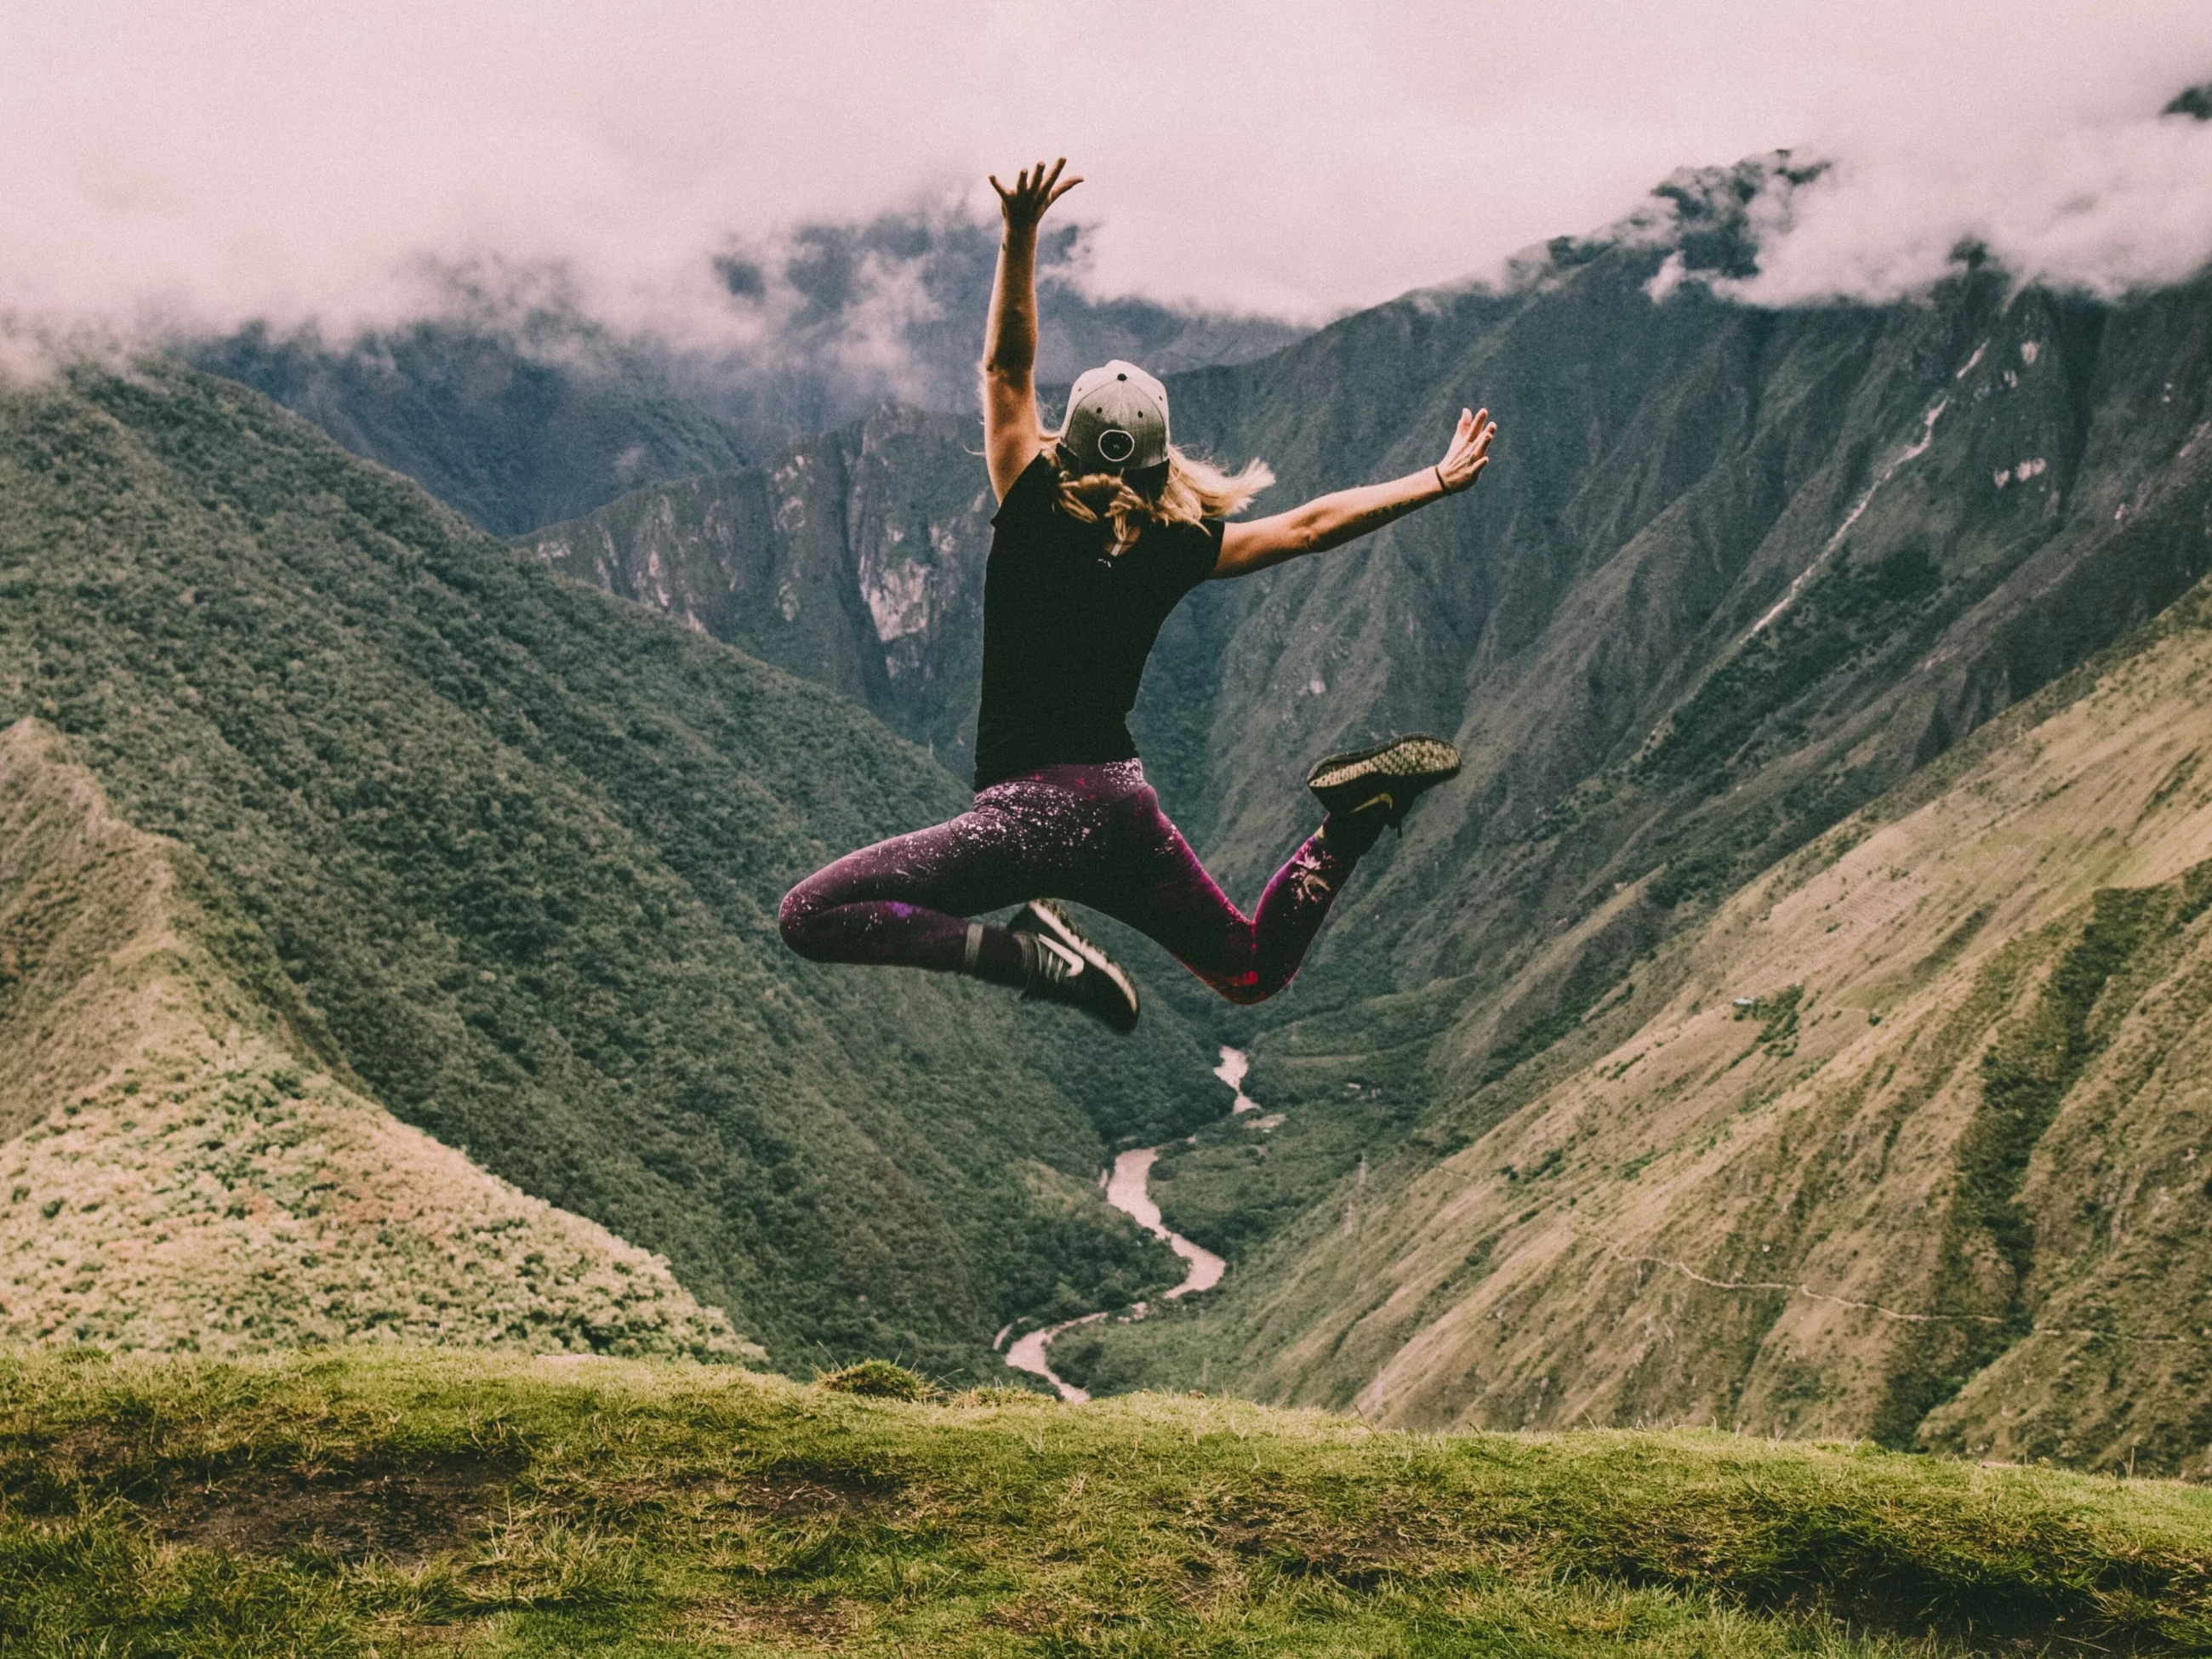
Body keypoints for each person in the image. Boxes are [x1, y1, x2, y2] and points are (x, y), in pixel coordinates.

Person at [779, 158, 1496, 1033]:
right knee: (1248, 969)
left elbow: (1006, 369)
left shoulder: (1033, 505)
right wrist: (1431, 479)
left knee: (809, 917)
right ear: (1162, 460)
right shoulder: (1176, 544)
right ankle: (1346, 826)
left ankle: (1028, 958)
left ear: (1064, 443)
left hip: (1025, 820)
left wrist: (1018, 232)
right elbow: (1308, 527)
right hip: (1121, 811)